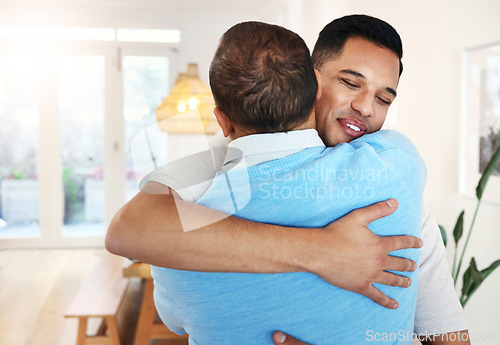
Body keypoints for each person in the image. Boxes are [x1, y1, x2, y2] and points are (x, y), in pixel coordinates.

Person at [106, 15, 469, 343]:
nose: (366, 107)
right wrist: (324, 251)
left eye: (384, 99)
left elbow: (448, 333)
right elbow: (127, 230)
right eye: (349, 82)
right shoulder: (211, 171)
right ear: (310, 80)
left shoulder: (398, 197)